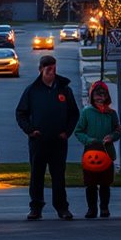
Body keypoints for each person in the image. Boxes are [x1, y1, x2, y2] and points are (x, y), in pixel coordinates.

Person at [16, 55, 80, 220]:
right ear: (40, 69)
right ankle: (36, 207)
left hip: (58, 141)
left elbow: (74, 114)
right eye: (47, 67)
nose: (51, 70)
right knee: (37, 175)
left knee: (58, 175)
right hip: (38, 141)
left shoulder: (64, 89)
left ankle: (62, 208)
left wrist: (67, 132)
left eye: (53, 67)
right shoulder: (32, 90)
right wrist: (30, 130)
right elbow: (21, 113)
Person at [73, 81, 121, 219]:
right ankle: (92, 208)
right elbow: (78, 131)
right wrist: (88, 140)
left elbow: (118, 129)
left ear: (107, 97)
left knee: (105, 183)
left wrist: (112, 136)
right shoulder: (87, 112)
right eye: (97, 95)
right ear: (92, 96)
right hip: (91, 151)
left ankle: (104, 207)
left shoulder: (111, 114)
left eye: (103, 95)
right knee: (91, 184)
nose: (100, 98)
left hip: (107, 151)